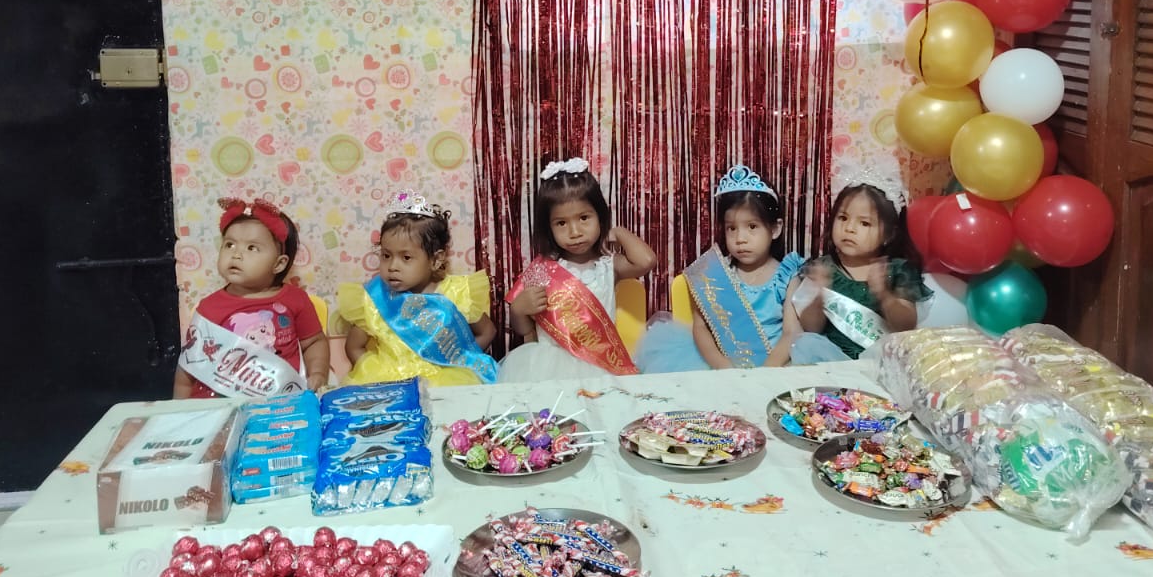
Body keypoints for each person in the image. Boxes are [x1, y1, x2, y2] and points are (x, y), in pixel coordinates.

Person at [636, 165, 847, 372]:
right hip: (722, 365)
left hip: (777, 364)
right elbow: (700, 328)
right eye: (732, 228)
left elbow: (791, 332)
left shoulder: (786, 275)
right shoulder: (714, 274)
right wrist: (722, 366)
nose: (740, 238)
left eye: (752, 227)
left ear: (775, 229)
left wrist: (767, 371)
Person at [499, 157, 656, 381]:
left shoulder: (608, 265)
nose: (575, 232)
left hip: (599, 364)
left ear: (600, 217)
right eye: (561, 223)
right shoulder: (543, 269)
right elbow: (525, 331)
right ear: (549, 228)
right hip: (549, 368)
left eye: (584, 218)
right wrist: (518, 310)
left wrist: (619, 232)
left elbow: (646, 261)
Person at [174, 198, 329, 398]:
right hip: (221, 402)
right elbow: (188, 368)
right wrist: (180, 408)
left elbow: (314, 342)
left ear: (279, 264)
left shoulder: (296, 300)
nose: (236, 254)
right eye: (229, 244)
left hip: (278, 401)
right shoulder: (209, 308)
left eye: (251, 248)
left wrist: (318, 374)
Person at [339, 191, 496, 386]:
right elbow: (354, 347)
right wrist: (372, 376)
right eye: (386, 255)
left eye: (406, 258)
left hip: (444, 383)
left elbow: (487, 332)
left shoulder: (458, 293)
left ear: (436, 260)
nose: (392, 266)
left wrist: (459, 362)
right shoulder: (376, 298)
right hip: (391, 382)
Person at [787, 167, 932, 360]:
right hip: (834, 362)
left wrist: (884, 295)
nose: (849, 228)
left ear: (889, 234)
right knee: (806, 343)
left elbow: (906, 325)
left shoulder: (897, 270)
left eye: (864, 223)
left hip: (880, 361)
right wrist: (818, 296)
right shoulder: (823, 268)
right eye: (843, 218)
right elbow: (811, 328)